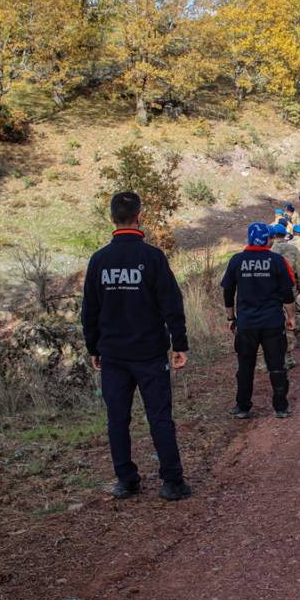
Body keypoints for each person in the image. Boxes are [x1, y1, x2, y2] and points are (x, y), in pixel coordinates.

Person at [81, 191, 192, 502]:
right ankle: (172, 482)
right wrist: (179, 344)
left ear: (112, 218)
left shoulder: (99, 260)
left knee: (117, 419)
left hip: (113, 355)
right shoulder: (152, 258)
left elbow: (89, 310)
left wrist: (93, 349)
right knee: (159, 417)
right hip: (150, 354)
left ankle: (126, 481)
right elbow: (172, 303)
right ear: (139, 217)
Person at [222, 222, 296, 419]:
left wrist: (231, 317)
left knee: (245, 366)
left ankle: (242, 407)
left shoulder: (236, 261)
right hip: (272, 323)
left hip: (246, 324)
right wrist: (291, 317)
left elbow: (228, 292)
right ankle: (281, 407)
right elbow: (288, 293)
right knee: (277, 366)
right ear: (267, 239)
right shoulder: (278, 261)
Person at [271, 223, 300, 369]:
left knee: (276, 322)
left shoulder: (269, 250)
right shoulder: (292, 249)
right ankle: (289, 356)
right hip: (289, 289)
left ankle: (272, 358)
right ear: (285, 235)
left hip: (272, 292)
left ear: (273, 236)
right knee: (291, 318)